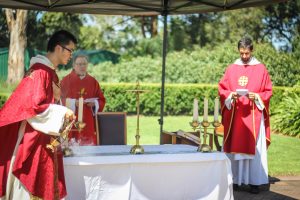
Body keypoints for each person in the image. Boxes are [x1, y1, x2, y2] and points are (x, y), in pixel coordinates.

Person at [0, 30, 77, 200]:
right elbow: (34, 107)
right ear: (59, 48)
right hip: (33, 141)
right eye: (70, 50)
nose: (71, 55)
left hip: (43, 138)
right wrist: (64, 112)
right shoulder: (41, 72)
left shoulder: (47, 72)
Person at [218, 37, 272, 194]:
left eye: (247, 53)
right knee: (234, 146)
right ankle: (233, 180)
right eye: (241, 53)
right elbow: (222, 88)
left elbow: (268, 91)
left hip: (254, 114)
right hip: (236, 116)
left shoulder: (261, 69)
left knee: (255, 147)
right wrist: (230, 96)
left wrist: (258, 97)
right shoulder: (232, 68)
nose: (244, 56)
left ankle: (255, 182)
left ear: (252, 50)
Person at [60, 55, 106, 145]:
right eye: (79, 64)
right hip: (71, 119)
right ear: (73, 65)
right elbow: (59, 100)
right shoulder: (66, 81)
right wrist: (73, 103)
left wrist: (95, 103)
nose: (82, 66)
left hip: (88, 119)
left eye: (84, 64)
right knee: (71, 145)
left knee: (89, 146)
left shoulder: (93, 81)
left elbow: (101, 100)